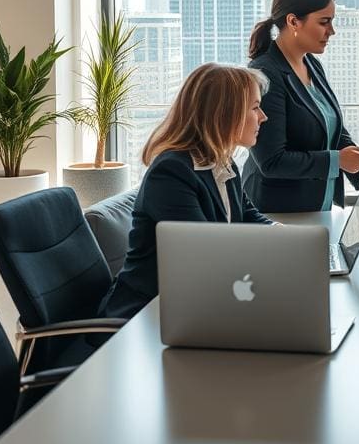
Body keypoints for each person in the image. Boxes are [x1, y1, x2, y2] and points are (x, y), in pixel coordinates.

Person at [99, 63, 273, 320]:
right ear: (225, 113)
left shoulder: (222, 161)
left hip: (195, 301)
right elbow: (204, 253)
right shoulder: (171, 172)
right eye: (255, 107)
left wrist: (287, 238)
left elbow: (247, 215)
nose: (263, 117)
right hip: (146, 315)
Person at [243, 0, 359, 213]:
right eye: (324, 22)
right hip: (277, 211)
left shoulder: (311, 63)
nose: (331, 31)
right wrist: (337, 161)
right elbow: (271, 161)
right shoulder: (266, 73)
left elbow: (332, 128)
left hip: (314, 206)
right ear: (293, 22)